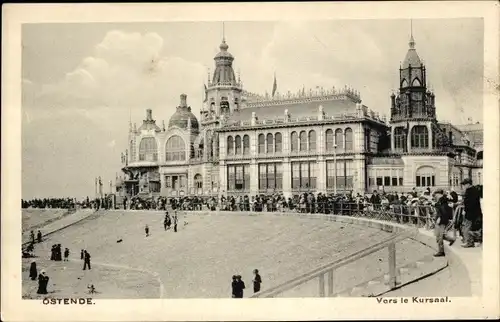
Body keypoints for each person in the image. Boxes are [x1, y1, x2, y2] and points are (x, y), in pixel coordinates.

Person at [433, 189, 455, 257]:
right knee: (439, 235)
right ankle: (451, 240)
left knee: (439, 236)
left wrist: (439, 218)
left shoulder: (442, 201)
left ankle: (441, 251)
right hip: (441, 219)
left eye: (436, 195)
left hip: (441, 220)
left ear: (439, 194)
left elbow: (442, 211)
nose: (435, 196)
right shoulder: (442, 200)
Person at [461, 178, 482, 248]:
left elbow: (470, 203)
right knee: (472, 228)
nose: (463, 186)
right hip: (475, 212)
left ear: (468, 184)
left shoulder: (470, 191)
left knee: (467, 227)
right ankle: (471, 242)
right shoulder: (474, 190)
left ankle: (469, 242)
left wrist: (465, 210)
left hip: (470, 213)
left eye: (464, 184)